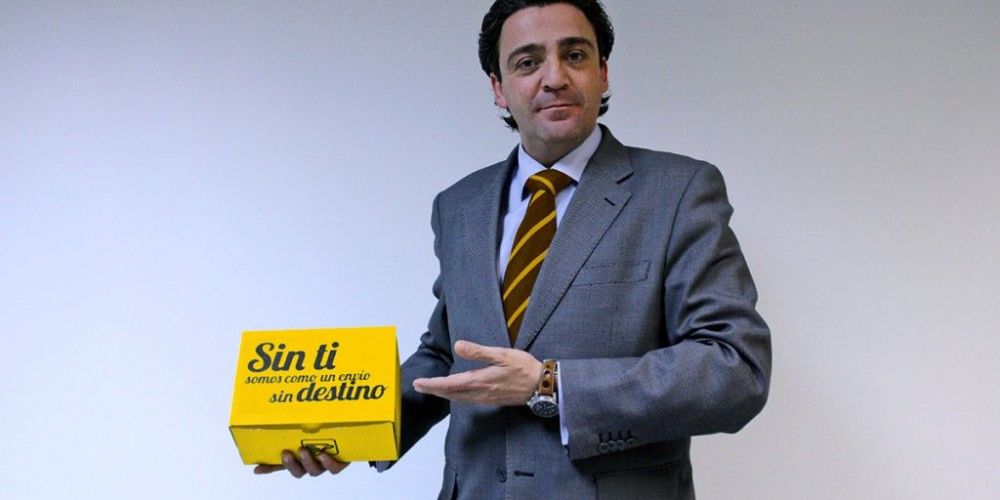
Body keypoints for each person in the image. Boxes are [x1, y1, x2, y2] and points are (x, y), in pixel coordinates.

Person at [256, 1, 771, 498]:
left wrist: (550, 384)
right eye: (528, 62)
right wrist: (347, 431)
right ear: (499, 88)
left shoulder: (678, 192)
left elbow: (735, 369)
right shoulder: (459, 206)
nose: (554, 77)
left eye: (574, 55)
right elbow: (449, 353)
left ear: (603, 72)